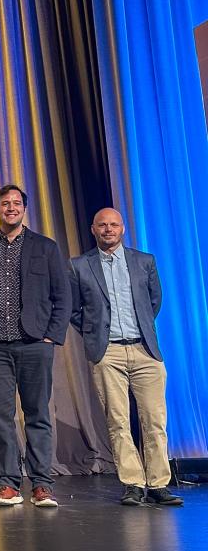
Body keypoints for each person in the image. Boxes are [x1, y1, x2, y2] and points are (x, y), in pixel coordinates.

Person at [0, 184, 70, 508]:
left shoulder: (45, 247)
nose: (11, 208)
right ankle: (8, 483)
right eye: (5, 204)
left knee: (38, 414)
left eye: (16, 203)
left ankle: (41, 484)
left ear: (25, 208)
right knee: (1, 417)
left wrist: (51, 335)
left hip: (34, 344)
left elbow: (62, 296)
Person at [69, 208, 182, 507]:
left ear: (123, 229)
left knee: (154, 420)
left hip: (146, 350)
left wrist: (142, 328)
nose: (108, 229)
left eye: (114, 224)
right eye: (102, 225)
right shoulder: (79, 265)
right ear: (93, 229)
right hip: (108, 353)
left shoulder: (144, 261)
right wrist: (95, 336)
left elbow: (154, 301)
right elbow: (72, 310)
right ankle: (133, 483)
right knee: (117, 421)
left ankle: (159, 484)